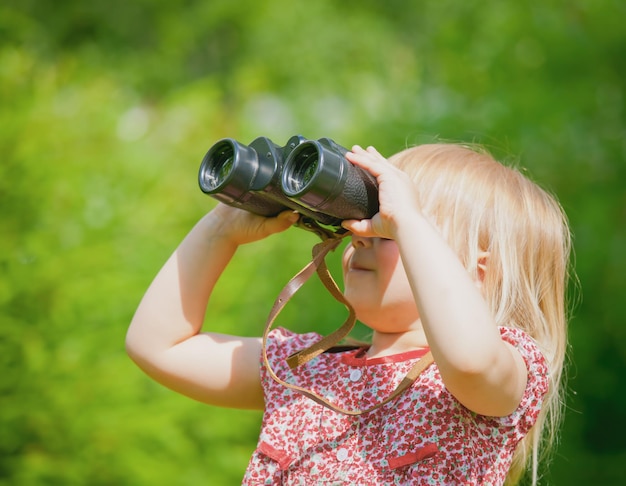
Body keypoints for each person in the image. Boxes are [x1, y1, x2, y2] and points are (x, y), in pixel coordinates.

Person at [126, 143, 572, 485]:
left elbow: (470, 360)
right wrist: (221, 228)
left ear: (477, 273)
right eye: (364, 218)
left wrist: (409, 222)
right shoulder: (307, 369)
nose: (361, 237)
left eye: (386, 227)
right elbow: (159, 346)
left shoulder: (498, 376)